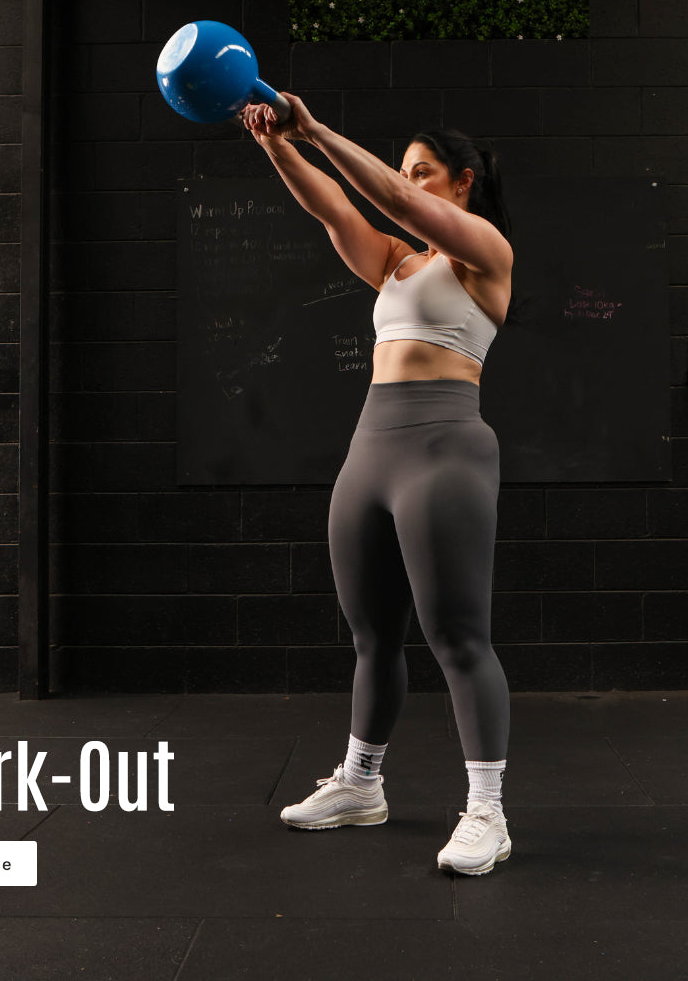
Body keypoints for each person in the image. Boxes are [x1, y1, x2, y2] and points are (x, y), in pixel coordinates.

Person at [243, 94, 513, 876]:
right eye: (405, 173)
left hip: (445, 448)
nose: (407, 183)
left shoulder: (484, 252)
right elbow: (337, 212)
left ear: (462, 183)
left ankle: (488, 811)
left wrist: (316, 128)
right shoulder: (399, 263)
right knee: (372, 636)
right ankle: (362, 783)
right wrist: (275, 145)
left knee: (458, 637)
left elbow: (388, 199)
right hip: (371, 449)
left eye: (424, 172)